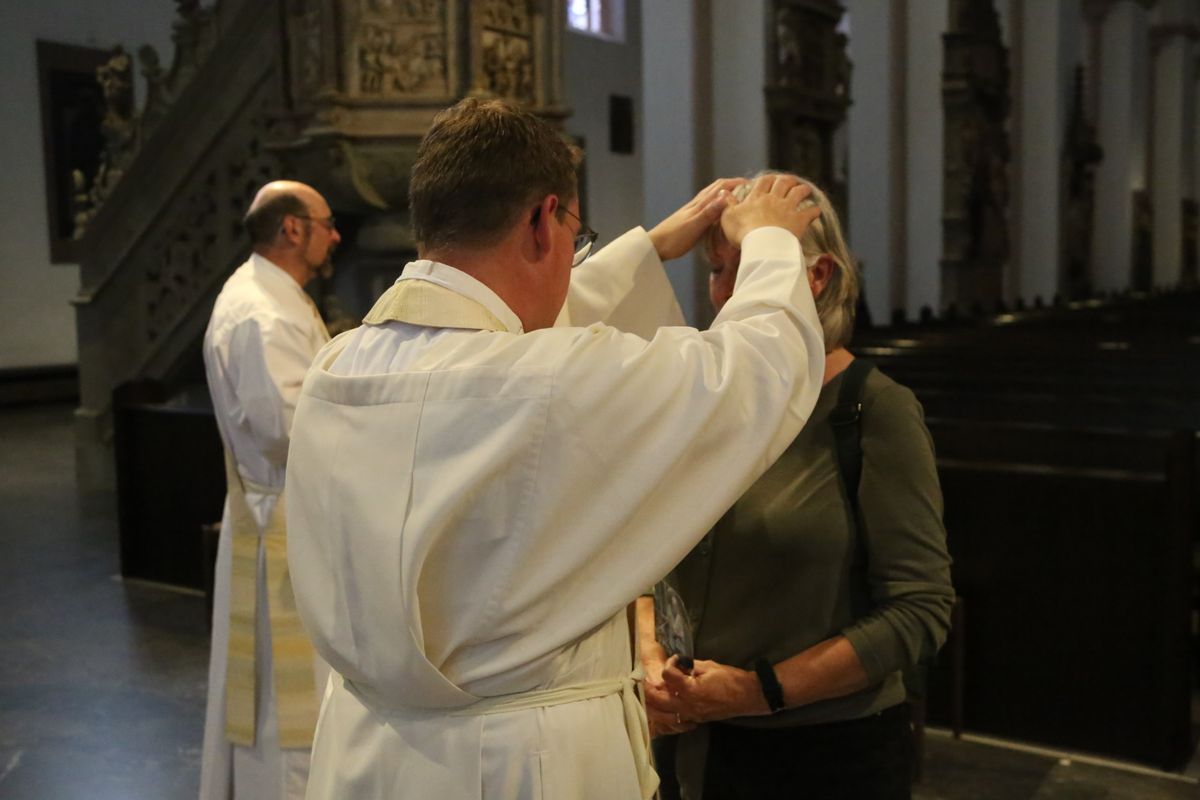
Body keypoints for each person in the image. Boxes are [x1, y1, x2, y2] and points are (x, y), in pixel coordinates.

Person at [284, 98, 827, 800]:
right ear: (544, 221)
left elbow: (501, 335)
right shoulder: (547, 384)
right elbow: (757, 370)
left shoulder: (338, 369)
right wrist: (769, 240)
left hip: (366, 749)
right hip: (523, 764)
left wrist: (645, 249)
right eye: (577, 237)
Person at [638, 174, 955, 799]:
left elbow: (920, 611)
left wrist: (758, 690)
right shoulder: (706, 398)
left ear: (816, 276)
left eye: (748, 266)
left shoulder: (872, 409)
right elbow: (646, 563)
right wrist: (650, 657)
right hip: (687, 744)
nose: (724, 294)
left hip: (822, 757)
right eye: (716, 271)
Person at [199, 180, 340, 799]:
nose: (336, 236)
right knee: (285, 711)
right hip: (280, 526)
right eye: (327, 223)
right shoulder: (262, 312)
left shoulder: (276, 297)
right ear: (292, 229)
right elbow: (287, 430)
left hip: (287, 515)